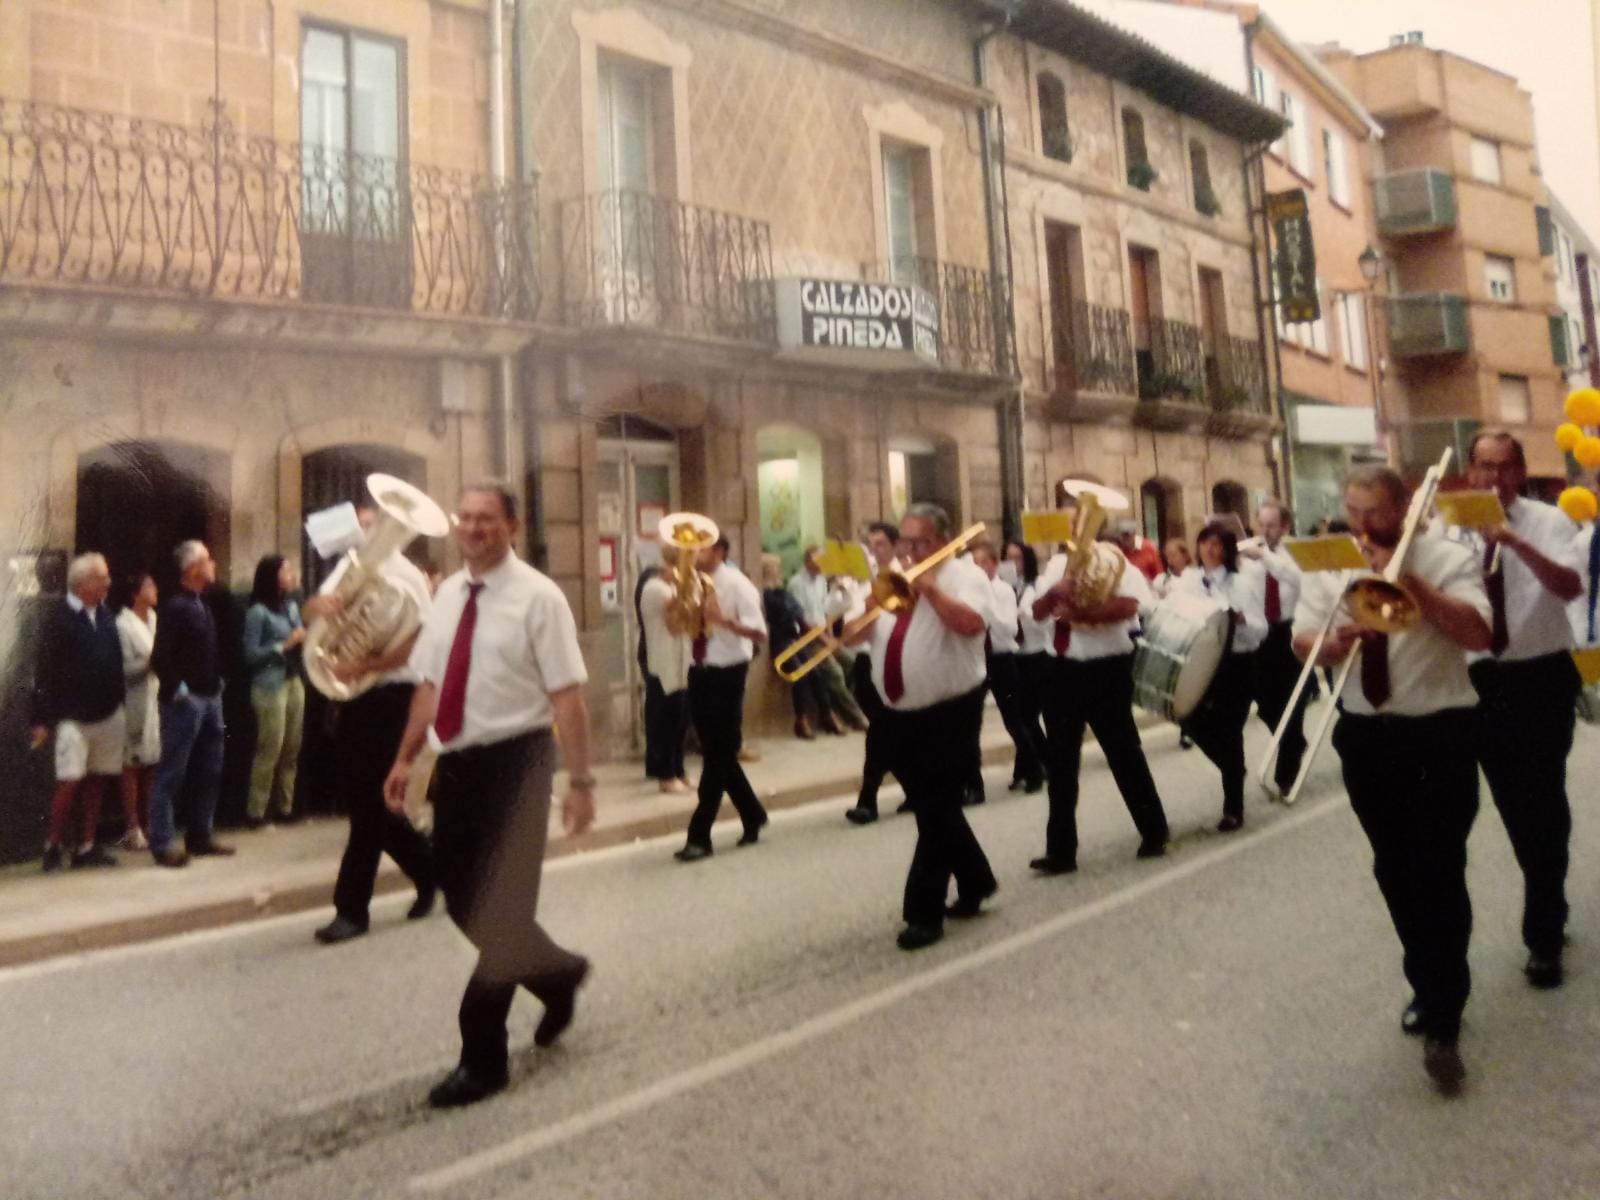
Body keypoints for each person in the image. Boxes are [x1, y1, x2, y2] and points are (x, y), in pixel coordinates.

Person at [382, 482, 596, 1109]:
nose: (473, 528)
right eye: (465, 518)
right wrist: (404, 756)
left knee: (500, 918)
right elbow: (429, 684)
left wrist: (580, 783)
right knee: (463, 904)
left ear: (513, 524)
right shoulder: (448, 592)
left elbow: (568, 699)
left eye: (487, 519)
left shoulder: (541, 599)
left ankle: (483, 1058)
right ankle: (558, 974)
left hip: (519, 766)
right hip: (459, 766)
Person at [1293, 465, 1491, 1095]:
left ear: (1405, 507)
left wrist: (1414, 587)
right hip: (1367, 734)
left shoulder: (1450, 555)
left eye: (1374, 512)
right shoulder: (1332, 561)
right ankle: (1427, 982)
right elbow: (1303, 638)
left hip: (1439, 729)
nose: (1361, 525)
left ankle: (1444, 1013)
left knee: (1439, 867)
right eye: (1353, 510)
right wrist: (1327, 647)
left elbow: (1481, 632)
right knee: (1394, 869)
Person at [1450, 431, 1585, 989]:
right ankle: (1546, 890)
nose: (1496, 478)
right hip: (1481, 679)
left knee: (1544, 802)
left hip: (1541, 676)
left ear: (1522, 471)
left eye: (1506, 468)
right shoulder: (1449, 525)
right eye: (1485, 467)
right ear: (1471, 472)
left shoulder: (1550, 521)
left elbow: (1572, 585)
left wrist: (1516, 543)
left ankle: (1545, 935)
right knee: (1514, 808)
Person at [846, 504, 997, 950]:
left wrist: (930, 589)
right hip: (897, 712)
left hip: (952, 708)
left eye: (921, 542)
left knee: (933, 811)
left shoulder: (965, 576)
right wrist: (871, 606)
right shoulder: (889, 578)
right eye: (906, 541)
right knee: (939, 808)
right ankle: (976, 880)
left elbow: (972, 626)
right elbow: (851, 639)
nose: (910, 550)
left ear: (944, 541)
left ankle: (923, 913)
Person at [307, 503, 439, 945]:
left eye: (377, 524)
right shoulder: (351, 568)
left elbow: (416, 644)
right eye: (369, 523)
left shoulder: (409, 579)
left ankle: (351, 909)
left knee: (368, 808)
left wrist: (363, 664)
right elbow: (313, 617)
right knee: (369, 802)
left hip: (393, 695)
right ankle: (431, 867)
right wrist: (316, 607)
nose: (370, 531)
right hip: (354, 698)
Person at [1030, 527, 1169, 872]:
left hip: (1106, 669)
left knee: (1123, 753)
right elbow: (1034, 612)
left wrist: (1083, 615)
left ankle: (1153, 830)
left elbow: (1132, 607)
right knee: (1060, 763)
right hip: (1060, 669)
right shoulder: (1055, 565)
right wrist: (1052, 594)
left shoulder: (1119, 564)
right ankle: (1061, 850)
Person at [675, 533, 769, 861]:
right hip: (698, 669)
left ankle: (699, 834)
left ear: (720, 550)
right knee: (718, 752)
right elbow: (681, 624)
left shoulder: (739, 585)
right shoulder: (690, 581)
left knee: (717, 757)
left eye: (702, 546)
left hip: (729, 672)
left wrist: (723, 621)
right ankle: (753, 813)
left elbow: (760, 632)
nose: (694, 552)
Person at [29, 552, 125, 871]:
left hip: (107, 712)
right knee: (69, 781)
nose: (108, 583)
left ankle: (86, 846)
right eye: (102, 577)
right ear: (84, 583)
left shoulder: (106, 614)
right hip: (73, 714)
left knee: (97, 779)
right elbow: (44, 671)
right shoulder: (59, 618)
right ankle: (52, 846)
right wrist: (41, 719)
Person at [1174, 522, 1267, 832]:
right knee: (1190, 718)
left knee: (1230, 729)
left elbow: (1260, 629)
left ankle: (1233, 807)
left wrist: (1240, 620)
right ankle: (1233, 769)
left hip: (1238, 662)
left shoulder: (1241, 583)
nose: (1210, 550)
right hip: (1203, 663)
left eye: (1217, 545)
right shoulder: (1188, 581)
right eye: (1205, 543)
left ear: (1227, 550)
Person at [147, 540, 234, 867]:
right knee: (173, 771)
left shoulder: (202, 604)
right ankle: (162, 840)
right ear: (193, 567)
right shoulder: (175, 607)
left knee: (210, 769)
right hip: (187, 700)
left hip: (211, 696)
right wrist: (178, 688)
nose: (213, 565)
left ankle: (200, 833)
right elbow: (161, 656)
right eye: (207, 560)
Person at [1240, 501, 1311, 800]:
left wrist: (1266, 557)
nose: (1265, 530)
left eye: (1271, 525)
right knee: (1266, 703)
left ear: (1284, 527)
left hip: (1291, 630)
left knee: (1292, 701)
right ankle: (1292, 742)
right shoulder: (1249, 554)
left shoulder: (1294, 552)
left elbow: (1298, 578)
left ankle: (1286, 773)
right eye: (1262, 524)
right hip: (1260, 633)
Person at [972, 539, 1045, 795]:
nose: (979, 567)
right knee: (972, 725)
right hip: (979, 658)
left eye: (984, 562)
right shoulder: (972, 591)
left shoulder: (1003, 590)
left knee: (1014, 719)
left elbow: (1011, 628)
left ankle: (1034, 770)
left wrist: (988, 613)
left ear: (994, 564)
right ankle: (973, 785)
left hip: (1002, 658)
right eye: (975, 563)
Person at [242, 555, 306, 828]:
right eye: (286, 569)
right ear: (272, 576)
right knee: (271, 747)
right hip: (270, 684)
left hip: (293, 680)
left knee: (292, 746)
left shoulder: (290, 607)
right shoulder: (257, 612)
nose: (291, 573)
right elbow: (250, 654)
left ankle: (285, 806)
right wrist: (283, 646)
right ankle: (256, 811)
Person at [845, 522, 902, 824]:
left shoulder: (903, 577)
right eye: (871, 544)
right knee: (889, 733)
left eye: (880, 543)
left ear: (894, 545)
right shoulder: (864, 583)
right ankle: (915, 790)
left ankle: (868, 800)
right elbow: (852, 634)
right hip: (867, 664)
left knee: (880, 732)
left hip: (893, 661)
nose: (874, 549)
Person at [787, 545, 869, 734]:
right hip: (807, 638)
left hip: (824, 634)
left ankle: (837, 710)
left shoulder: (821, 580)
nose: (823, 564)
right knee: (835, 673)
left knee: (853, 664)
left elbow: (825, 613)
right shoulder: (796, 584)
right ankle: (857, 718)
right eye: (819, 560)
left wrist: (831, 636)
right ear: (808, 561)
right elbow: (803, 619)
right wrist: (825, 639)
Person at [639, 544, 692, 791]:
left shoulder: (673, 587)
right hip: (663, 664)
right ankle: (666, 774)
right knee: (667, 722)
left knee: (680, 720)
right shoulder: (655, 589)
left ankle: (679, 770)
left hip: (681, 662)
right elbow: (675, 625)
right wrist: (689, 594)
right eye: (683, 563)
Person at [114, 570, 160, 852]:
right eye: (149, 585)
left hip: (155, 696)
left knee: (153, 761)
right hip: (134, 698)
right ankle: (132, 827)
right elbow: (123, 669)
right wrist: (149, 664)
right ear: (136, 593)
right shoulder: (123, 624)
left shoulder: (154, 619)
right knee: (132, 764)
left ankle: (151, 822)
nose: (155, 589)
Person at [763, 554, 832, 738]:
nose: (779, 572)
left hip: (794, 637)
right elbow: (789, 612)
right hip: (780, 640)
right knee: (799, 673)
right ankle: (801, 720)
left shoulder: (782, 592)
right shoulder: (767, 595)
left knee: (815, 671)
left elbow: (798, 614)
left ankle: (827, 714)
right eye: (775, 569)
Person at [1151, 537, 1191, 601]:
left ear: (1185, 556)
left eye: (1173, 555)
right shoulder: (1161, 579)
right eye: (1167, 556)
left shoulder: (1195, 577)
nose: (1170, 560)